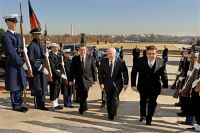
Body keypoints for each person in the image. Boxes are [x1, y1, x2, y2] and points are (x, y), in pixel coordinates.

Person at [131, 45, 168, 125]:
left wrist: (165, 86)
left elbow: (164, 75)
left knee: (152, 102)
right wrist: (133, 84)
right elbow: (134, 72)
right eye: (149, 53)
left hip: (155, 87)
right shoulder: (139, 60)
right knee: (143, 101)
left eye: (153, 54)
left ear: (156, 54)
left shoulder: (161, 62)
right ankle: (143, 115)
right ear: (146, 53)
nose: (151, 55)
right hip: (143, 86)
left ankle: (149, 117)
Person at [1, 14, 28, 112]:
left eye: (16, 22)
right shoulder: (5, 36)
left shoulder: (17, 35)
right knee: (14, 84)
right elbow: (11, 52)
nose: (15, 24)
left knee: (20, 83)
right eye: (13, 22)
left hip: (20, 62)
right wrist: (22, 63)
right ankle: (16, 105)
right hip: (13, 63)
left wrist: (24, 49)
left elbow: (20, 49)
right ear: (8, 23)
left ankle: (19, 103)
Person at [98, 48, 129, 120]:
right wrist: (101, 83)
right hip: (107, 84)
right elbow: (100, 73)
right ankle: (110, 113)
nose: (110, 55)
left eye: (111, 53)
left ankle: (112, 113)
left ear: (115, 54)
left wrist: (125, 83)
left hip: (117, 84)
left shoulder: (121, 62)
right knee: (109, 99)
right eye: (109, 54)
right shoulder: (103, 62)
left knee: (114, 98)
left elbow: (125, 73)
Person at [69, 44, 97, 115]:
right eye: (81, 50)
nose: (83, 51)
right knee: (80, 96)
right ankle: (85, 106)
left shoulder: (90, 58)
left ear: (86, 50)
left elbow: (94, 69)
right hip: (78, 81)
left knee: (85, 95)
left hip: (87, 80)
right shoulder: (75, 58)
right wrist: (70, 80)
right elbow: (72, 70)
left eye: (84, 50)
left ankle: (82, 109)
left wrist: (95, 79)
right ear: (79, 51)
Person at [27, 28, 49, 111]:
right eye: (38, 34)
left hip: (42, 66)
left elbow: (42, 56)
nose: (40, 35)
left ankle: (42, 103)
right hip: (37, 69)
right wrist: (40, 68)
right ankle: (39, 105)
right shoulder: (31, 46)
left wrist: (46, 55)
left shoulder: (40, 44)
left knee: (43, 86)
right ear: (33, 35)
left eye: (40, 34)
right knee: (38, 87)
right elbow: (31, 60)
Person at [49, 43, 67, 110]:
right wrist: (61, 74)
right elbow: (52, 68)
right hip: (54, 76)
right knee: (54, 90)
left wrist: (61, 64)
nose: (55, 48)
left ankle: (56, 103)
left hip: (58, 75)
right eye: (54, 47)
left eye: (56, 47)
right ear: (51, 48)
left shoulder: (58, 55)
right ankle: (54, 105)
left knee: (57, 90)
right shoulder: (51, 55)